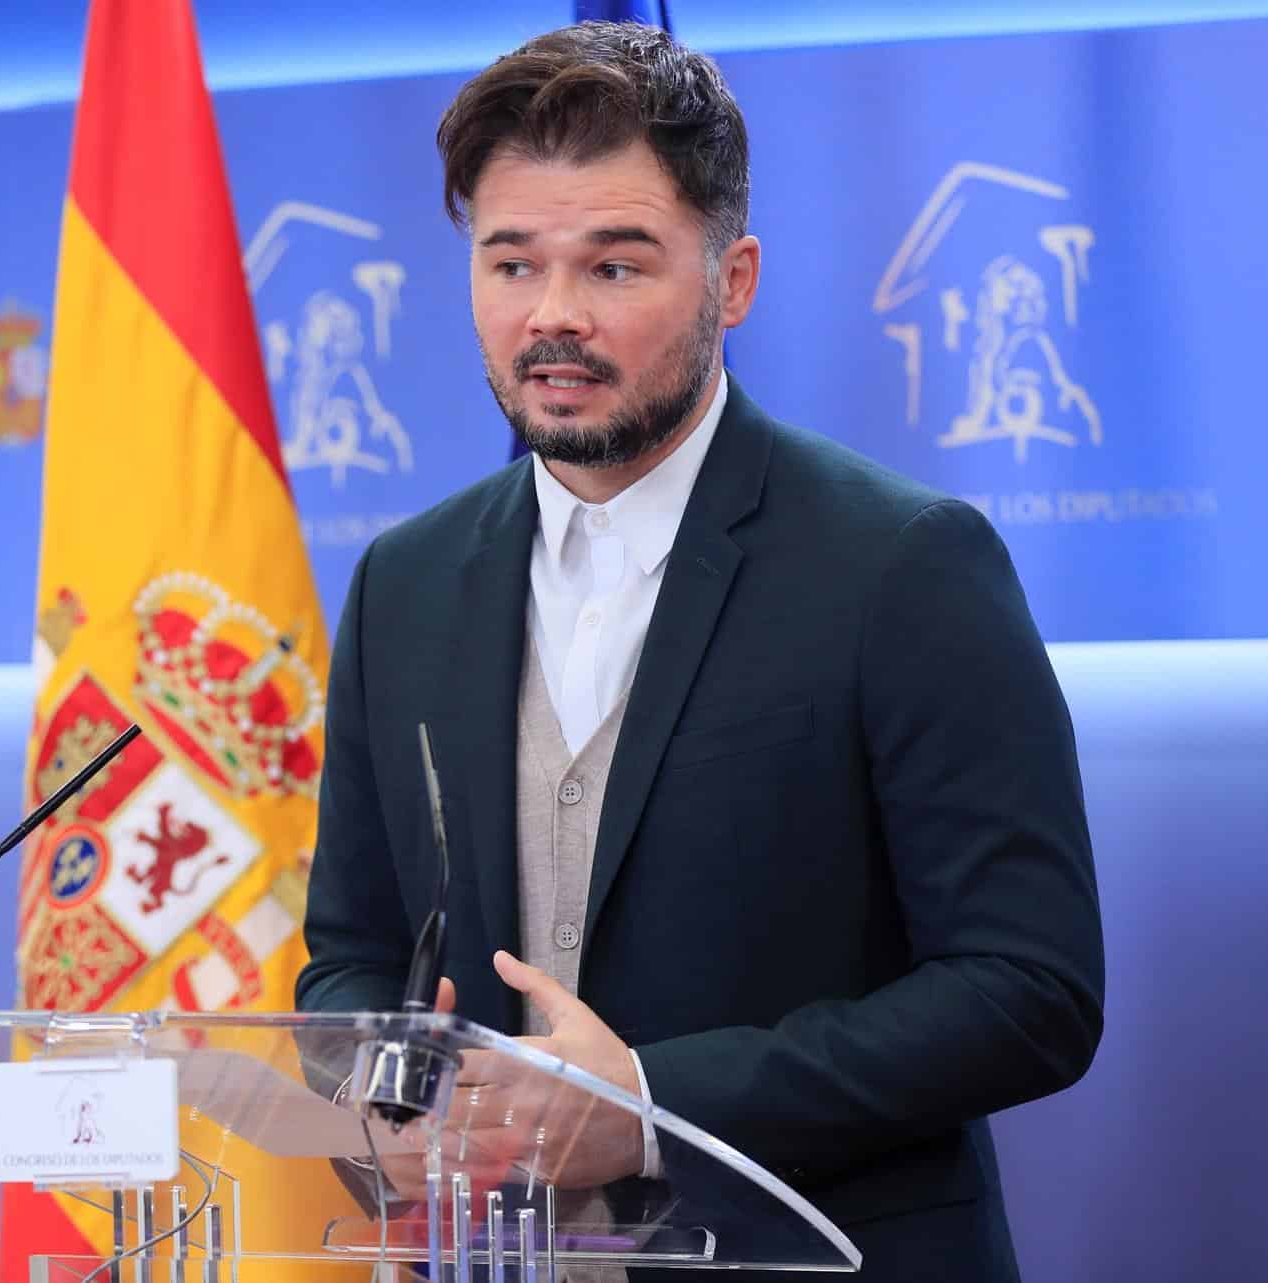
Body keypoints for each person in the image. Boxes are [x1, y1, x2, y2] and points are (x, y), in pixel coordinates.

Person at [295, 21, 1104, 1283]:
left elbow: (1029, 988)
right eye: (510, 265)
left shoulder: (903, 561)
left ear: (732, 281)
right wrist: (389, 1094)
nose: (552, 316)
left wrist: (657, 1100)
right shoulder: (403, 580)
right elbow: (347, 951)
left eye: (615, 267)